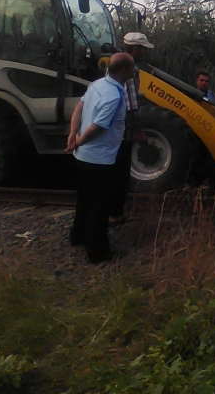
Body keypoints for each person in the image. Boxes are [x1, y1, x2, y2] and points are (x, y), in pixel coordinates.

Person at [65, 52, 135, 264]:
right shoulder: (115, 95)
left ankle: (77, 236)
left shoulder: (97, 85)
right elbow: (98, 128)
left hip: (83, 157)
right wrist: (79, 140)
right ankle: (97, 251)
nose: (134, 71)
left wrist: (72, 134)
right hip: (100, 159)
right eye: (132, 68)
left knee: (84, 199)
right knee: (99, 206)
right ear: (124, 71)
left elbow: (79, 107)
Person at [109, 32, 154, 225]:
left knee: (116, 175)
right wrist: (140, 133)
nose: (145, 53)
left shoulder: (117, 67)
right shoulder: (128, 73)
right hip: (122, 134)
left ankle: (114, 212)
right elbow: (128, 109)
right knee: (119, 176)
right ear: (134, 49)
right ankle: (115, 214)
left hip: (116, 134)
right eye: (143, 49)